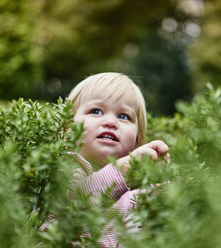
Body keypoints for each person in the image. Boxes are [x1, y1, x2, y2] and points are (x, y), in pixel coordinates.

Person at [68, 72, 170, 247]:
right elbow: (72, 200)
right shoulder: (65, 164)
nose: (110, 122)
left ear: (137, 140)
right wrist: (123, 173)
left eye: (123, 116)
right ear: (67, 126)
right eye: (96, 111)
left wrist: (160, 192)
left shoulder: (134, 180)